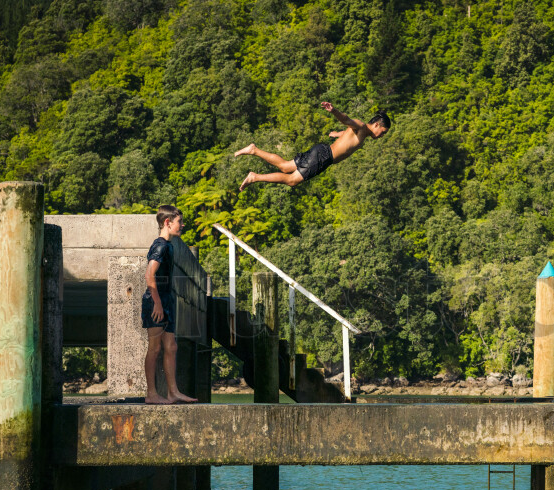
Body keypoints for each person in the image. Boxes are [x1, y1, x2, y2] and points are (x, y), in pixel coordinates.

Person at [234, 102, 390, 190]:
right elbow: (347, 120)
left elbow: (348, 133)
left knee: (286, 167)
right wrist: (334, 110)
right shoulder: (362, 127)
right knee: (292, 180)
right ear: (376, 125)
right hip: (324, 156)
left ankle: (254, 150)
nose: (381, 136)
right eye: (382, 132)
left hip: (322, 152)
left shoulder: (362, 133)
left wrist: (337, 134)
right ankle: (255, 177)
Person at [141, 205, 197, 405]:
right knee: (155, 348)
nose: (182, 225)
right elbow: (149, 274)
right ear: (167, 222)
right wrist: (157, 303)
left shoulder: (169, 245)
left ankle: (173, 392)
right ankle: (151, 394)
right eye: (179, 222)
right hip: (155, 300)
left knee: (171, 346)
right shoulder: (160, 245)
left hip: (166, 300)